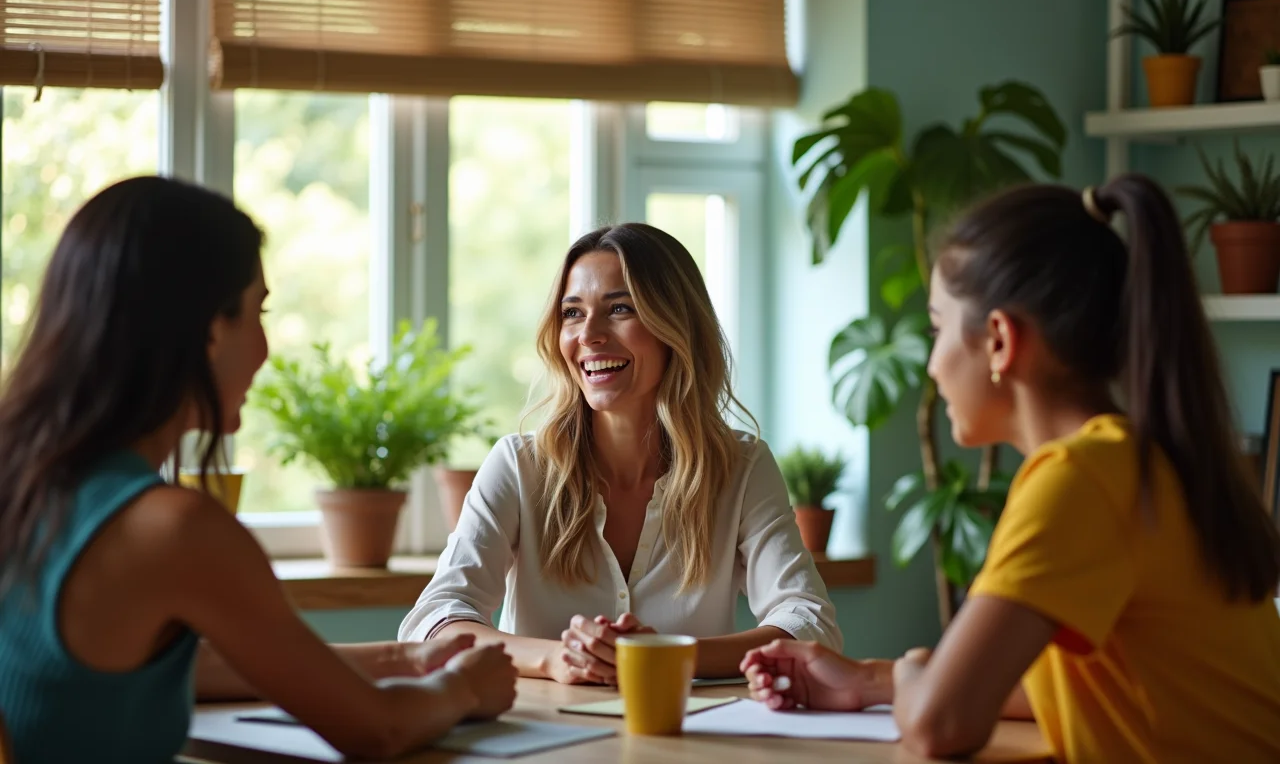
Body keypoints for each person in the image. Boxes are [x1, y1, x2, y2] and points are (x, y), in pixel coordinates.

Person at [740, 175, 1280, 762]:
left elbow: (937, 724)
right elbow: (1060, 688)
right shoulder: (1135, 458)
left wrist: (921, 667)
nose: (933, 365)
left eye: (938, 328)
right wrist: (871, 679)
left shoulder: (1079, 478)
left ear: (998, 340)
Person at [0, 176, 517, 764]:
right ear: (211, 329)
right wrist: (464, 688)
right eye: (258, 311)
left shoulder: (28, 481)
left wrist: (406, 660)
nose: (267, 347)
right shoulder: (172, 529)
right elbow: (379, 732)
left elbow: (196, 667)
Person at [399, 223, 841, 684]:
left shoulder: (741, 467)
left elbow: (811, 625)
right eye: (572, 313)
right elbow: (432, 621)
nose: (589, 334)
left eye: (620, 308)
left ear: (675, 326)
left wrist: (665, 657)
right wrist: (556, 659)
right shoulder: (519, 466)